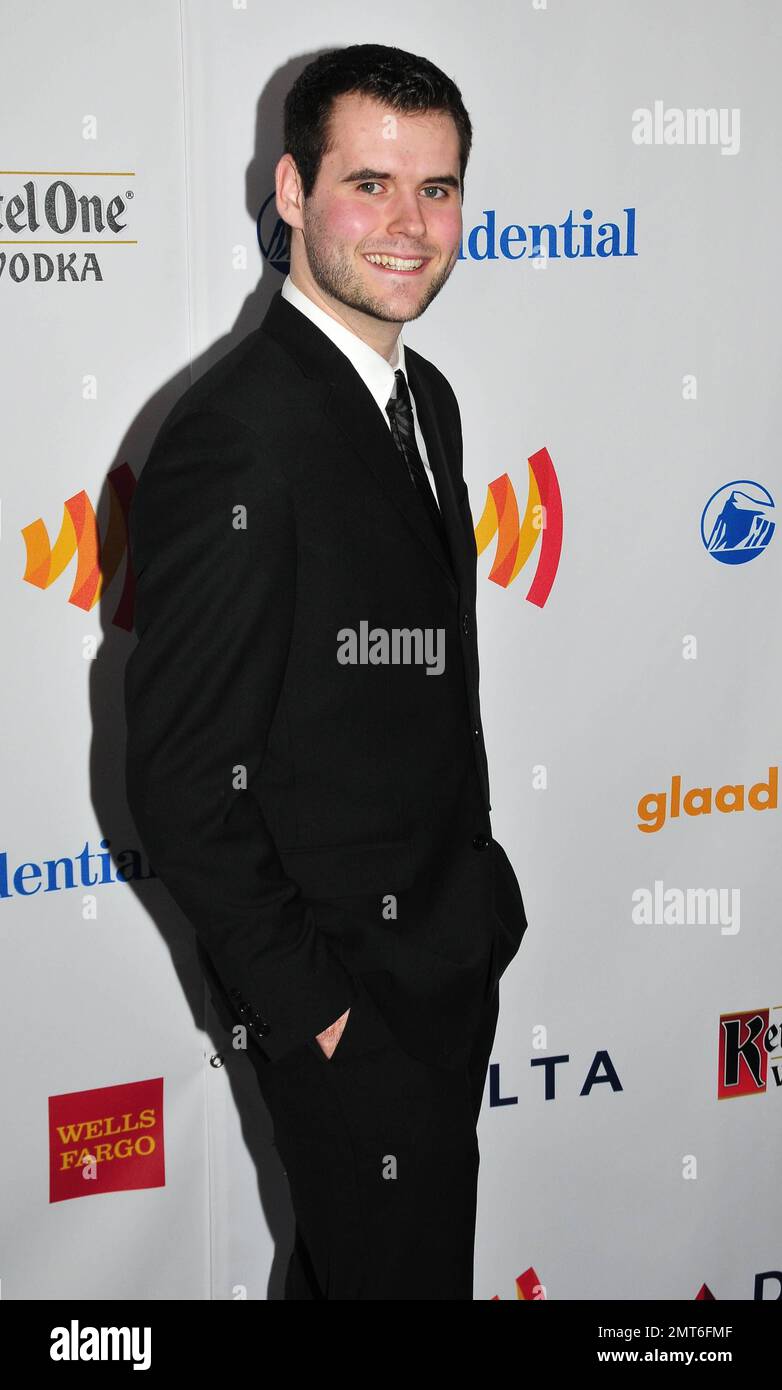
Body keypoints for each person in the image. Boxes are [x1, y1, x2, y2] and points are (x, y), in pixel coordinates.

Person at [124, 42, 528, 1301]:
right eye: (371, 184)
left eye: (438, 189)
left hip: (442, 955)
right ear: (292, 192)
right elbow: (186, 784)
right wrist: (324, 1018)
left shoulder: (429, 399)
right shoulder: (233, 441)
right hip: (345, 999)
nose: (410, 227)